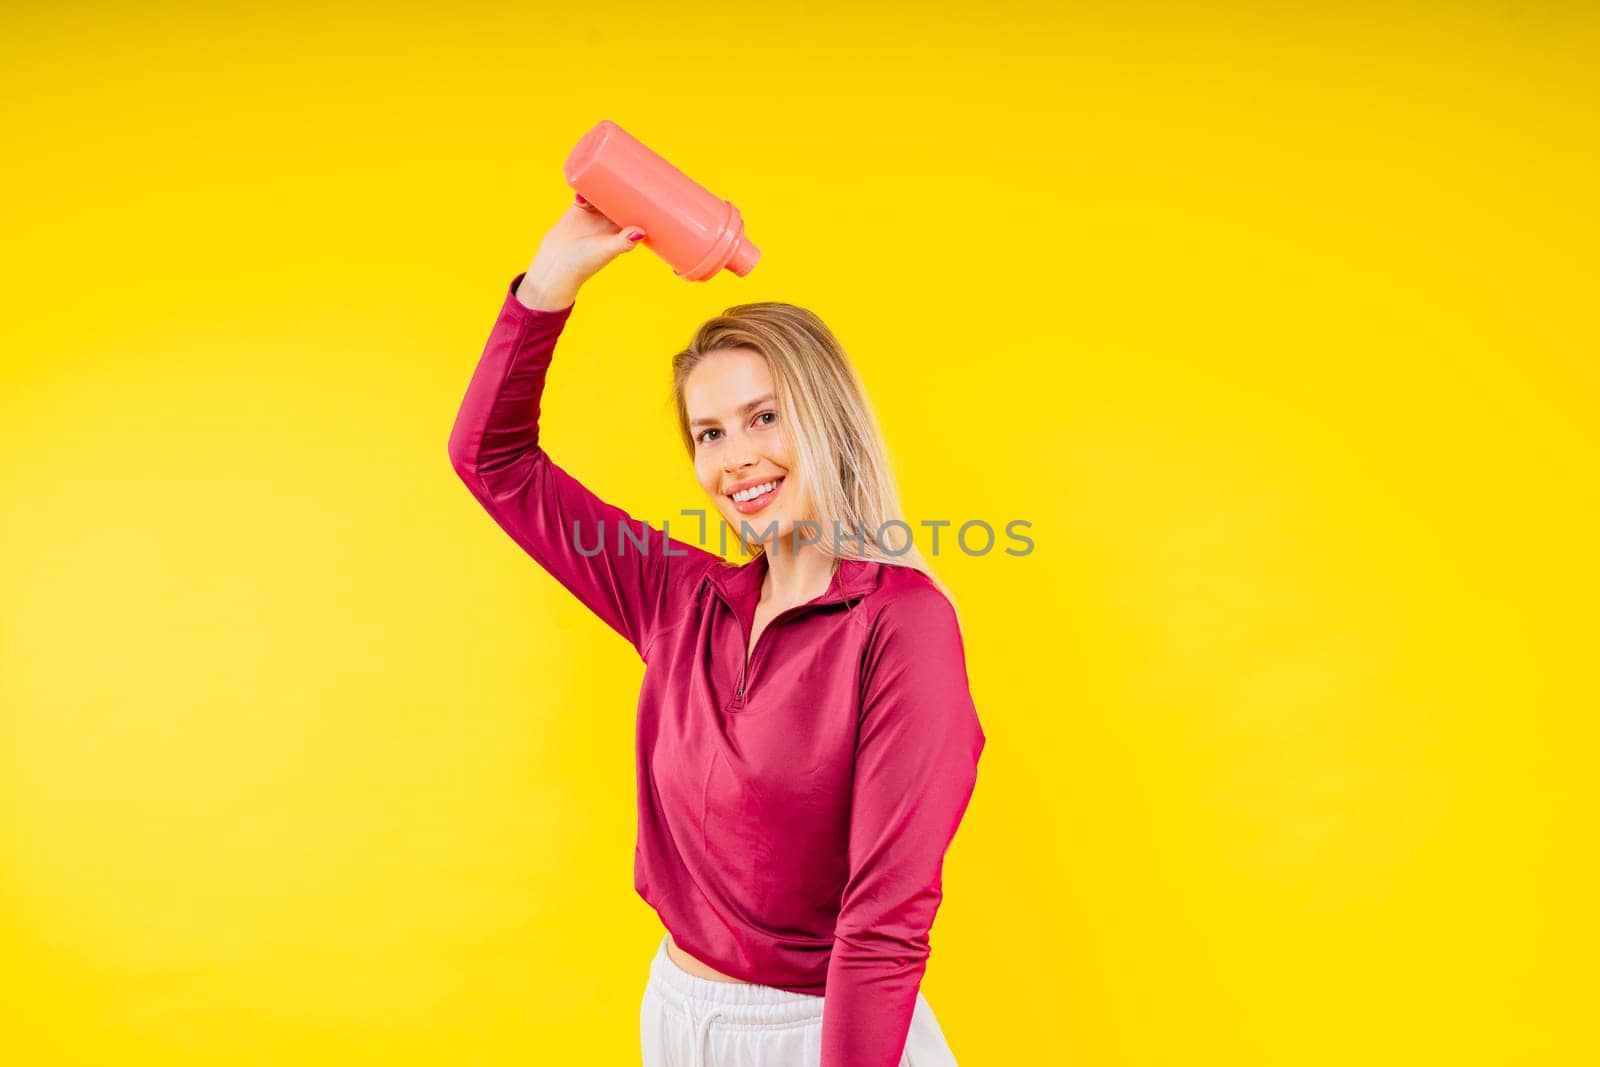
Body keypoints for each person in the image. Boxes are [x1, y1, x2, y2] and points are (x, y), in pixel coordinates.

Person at [446, 192, 986, 1067]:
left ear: (829, 422)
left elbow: (884, 923)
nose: (735, 457)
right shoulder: (678, 597)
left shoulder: (902, 625)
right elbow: (493, 460)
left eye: (764, 417)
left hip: (824, 1038)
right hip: (677, 1015)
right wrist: (548, 284)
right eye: (709, 432)